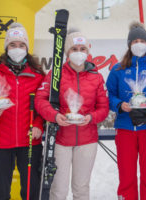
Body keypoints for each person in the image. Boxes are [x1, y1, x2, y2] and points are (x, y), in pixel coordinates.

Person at [35, 29, 109, 200]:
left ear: (88, 51)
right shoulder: (56, 74)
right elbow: (40, 100)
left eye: (82, 49)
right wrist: (54, 116)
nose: (78, 53)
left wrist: (91, 118)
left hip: (87, 141)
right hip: (60, 140)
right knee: (58, 189)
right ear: (67, 52)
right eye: (74, 49)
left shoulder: (96, 77)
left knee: (81, 188)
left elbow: (104, 108)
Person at [0, 23, 45, 200]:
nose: (17, 49)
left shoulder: (38, 75)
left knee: (31, 191)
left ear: (27, 48)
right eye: (13, 45)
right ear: (6, 47)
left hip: (30, 141)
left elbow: (42, 106)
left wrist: (38, 125)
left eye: (21, 45)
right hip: (0, 142)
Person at [106, 21, 146, 200]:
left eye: (142, 40)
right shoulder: (118, 69)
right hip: (125, 128)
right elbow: (108, 94)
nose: (138, 44)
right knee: (126, 176)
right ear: (129, 44)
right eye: (134, 41)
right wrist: (119, 105)